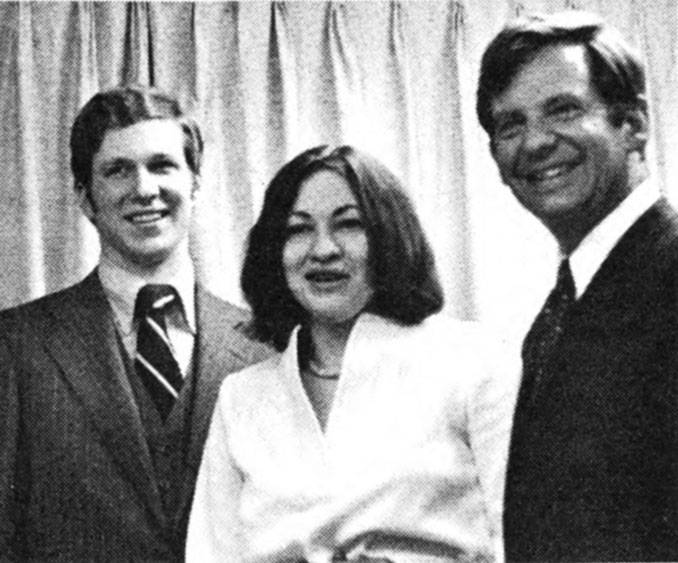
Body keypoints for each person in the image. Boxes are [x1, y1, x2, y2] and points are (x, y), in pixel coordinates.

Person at [0, 85, 271, 561]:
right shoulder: (11, 346)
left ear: (195, 183)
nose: (144, 189)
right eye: (118, 170)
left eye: (162, 165)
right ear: (84, 197)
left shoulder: (265, 346)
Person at [186, 145, 518, 562]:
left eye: (349, 225)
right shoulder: (242, 397)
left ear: (389, 237)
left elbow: (527, 540)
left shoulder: (473, 361)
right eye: (297, 229)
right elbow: (211, 555)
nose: (323, 249)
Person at [476, 11, 678, 561]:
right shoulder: (565, 301)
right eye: (509, 124)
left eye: (562, 110)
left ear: (634, 123)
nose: (535, 142)